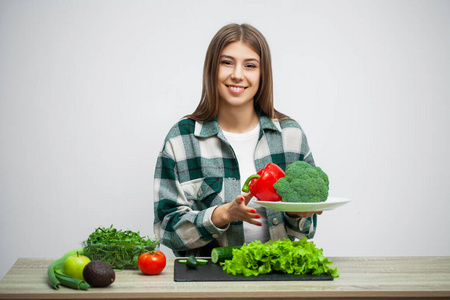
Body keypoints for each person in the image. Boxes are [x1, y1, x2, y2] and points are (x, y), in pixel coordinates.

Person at [153, 23, 322, 257]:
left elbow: (305, 233)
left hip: (277, 280)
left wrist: (298, 215)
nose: (237, 74)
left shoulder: (290, 137)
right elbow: (166, 230)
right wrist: (223, 214)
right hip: (208, 283)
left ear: (263, 74)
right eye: (227, 62)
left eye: (250, 65)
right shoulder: (181, 139)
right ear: (212, 69)